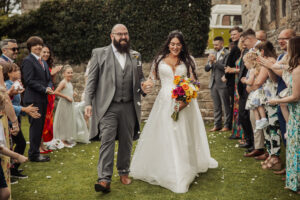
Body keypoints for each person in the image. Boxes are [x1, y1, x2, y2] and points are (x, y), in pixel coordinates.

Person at [130, 30, 218, 193]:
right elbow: (152, 80)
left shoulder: (188, 60)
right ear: (168, 44)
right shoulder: (159, 60)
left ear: (182, 45)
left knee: (182, 134)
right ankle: (168, 168)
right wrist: (146, 85)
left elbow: (193, 82)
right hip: (164, 102)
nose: (175, 47)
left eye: (178, 44)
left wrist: (185, 99)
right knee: (166, 132)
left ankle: (184, 168)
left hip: (184, 102)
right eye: (172, 44)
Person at [84, 24, 149, 193]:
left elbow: (140, 79)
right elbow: (91, 81)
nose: (123, 37)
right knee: (107, 140)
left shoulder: (136, 55)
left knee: (126, 142)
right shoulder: (99, 53)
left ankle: (124, 172)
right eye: (119, 34)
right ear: (111, 36)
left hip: (129, 106)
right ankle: (104, 179)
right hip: (108, 107)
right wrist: (88, 103)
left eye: (126, 34)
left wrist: (144, 87)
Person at [268, 36, 300, 194]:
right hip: (295, 113)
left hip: (297, 113)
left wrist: (277, 100)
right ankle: (294, 181)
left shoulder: (297, 70)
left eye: (290, 47)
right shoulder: (295, 67)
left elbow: (295, 97)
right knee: (294, 147)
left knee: (296, 147)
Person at [4, 62, 40, 179]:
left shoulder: (15, 84)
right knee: (20, 143)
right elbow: (7, 104)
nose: (19, 72)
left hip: (14, 119)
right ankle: (12, 169)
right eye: (15, 70)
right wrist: (24, 109)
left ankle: (12, 168)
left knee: (16, 144)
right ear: (9, 73)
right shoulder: (6, 85)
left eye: (19, 70)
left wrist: (27, 111)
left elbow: (15, 104)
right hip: (7, 121)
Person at [21, 36, 53, 162]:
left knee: (40, 127)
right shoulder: (28, 61)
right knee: (35, 127)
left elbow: (48, 79)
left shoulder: (43, 61)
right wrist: (44, 89)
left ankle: (36, 152)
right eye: (35, 45)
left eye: (40, 44)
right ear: (30, 47)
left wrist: (49, 87)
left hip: (43, 98)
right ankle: (33, 154)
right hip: (33, 98)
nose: (39, 46)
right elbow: (29, 80)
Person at [205, 36, 231, 132]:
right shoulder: (213, 53)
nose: (215, 46)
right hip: (213, 83)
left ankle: (227, 125)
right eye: (214, 45)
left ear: (222, 44)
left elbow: (225, 67)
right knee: (216, 105)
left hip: (223, 83)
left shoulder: (227, 54)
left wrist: (215, 62)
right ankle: (217, 125)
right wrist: (211, 63)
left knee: (226, 105)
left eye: (216, 45)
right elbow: (206, 68)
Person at [40, 45, 62, 152]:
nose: (46, 54)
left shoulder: (48, 64)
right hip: (43, 93)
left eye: (48, 52)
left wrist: (54, 74)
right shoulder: (38, 65)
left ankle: (47, 142)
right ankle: (42, 143)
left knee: (49, 118)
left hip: (51, 93)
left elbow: (52, 81)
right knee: (43, 119)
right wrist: (51, 73)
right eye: (44, 52)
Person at [224, 37, 246, 141]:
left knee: (241, 108)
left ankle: (243, 134)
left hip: (241, 82)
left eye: (243, 41)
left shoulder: (246, 53)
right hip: (236, 83)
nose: (242, 43)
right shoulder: (240, 52)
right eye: (241, 41)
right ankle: (237, 132)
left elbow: (244, 69)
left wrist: (232, 70)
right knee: (236, 108)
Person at [241, 52, 268, 129]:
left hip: (257, 91)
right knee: (253, 106)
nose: (244, 64)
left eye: (245, 62)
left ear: (250, 62)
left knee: (258, 105)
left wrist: (245, 81)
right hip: (254, 92)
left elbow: (250, 82)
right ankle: (258, 121)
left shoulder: (252, 70)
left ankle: (263, 119)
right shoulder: (254, 69)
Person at [53, 66, 76, 147]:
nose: (70, 74)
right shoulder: (63, 82)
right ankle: (62, 140)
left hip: (69, 104)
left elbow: (67, 91)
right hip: (64, 104)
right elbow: (55, 92)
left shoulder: (69, 82)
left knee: (67, 121)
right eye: (68, 73)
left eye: (71, 72)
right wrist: (66, 97)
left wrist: (72, 94)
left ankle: (65, 138)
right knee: (63, 121)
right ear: (64, 74)